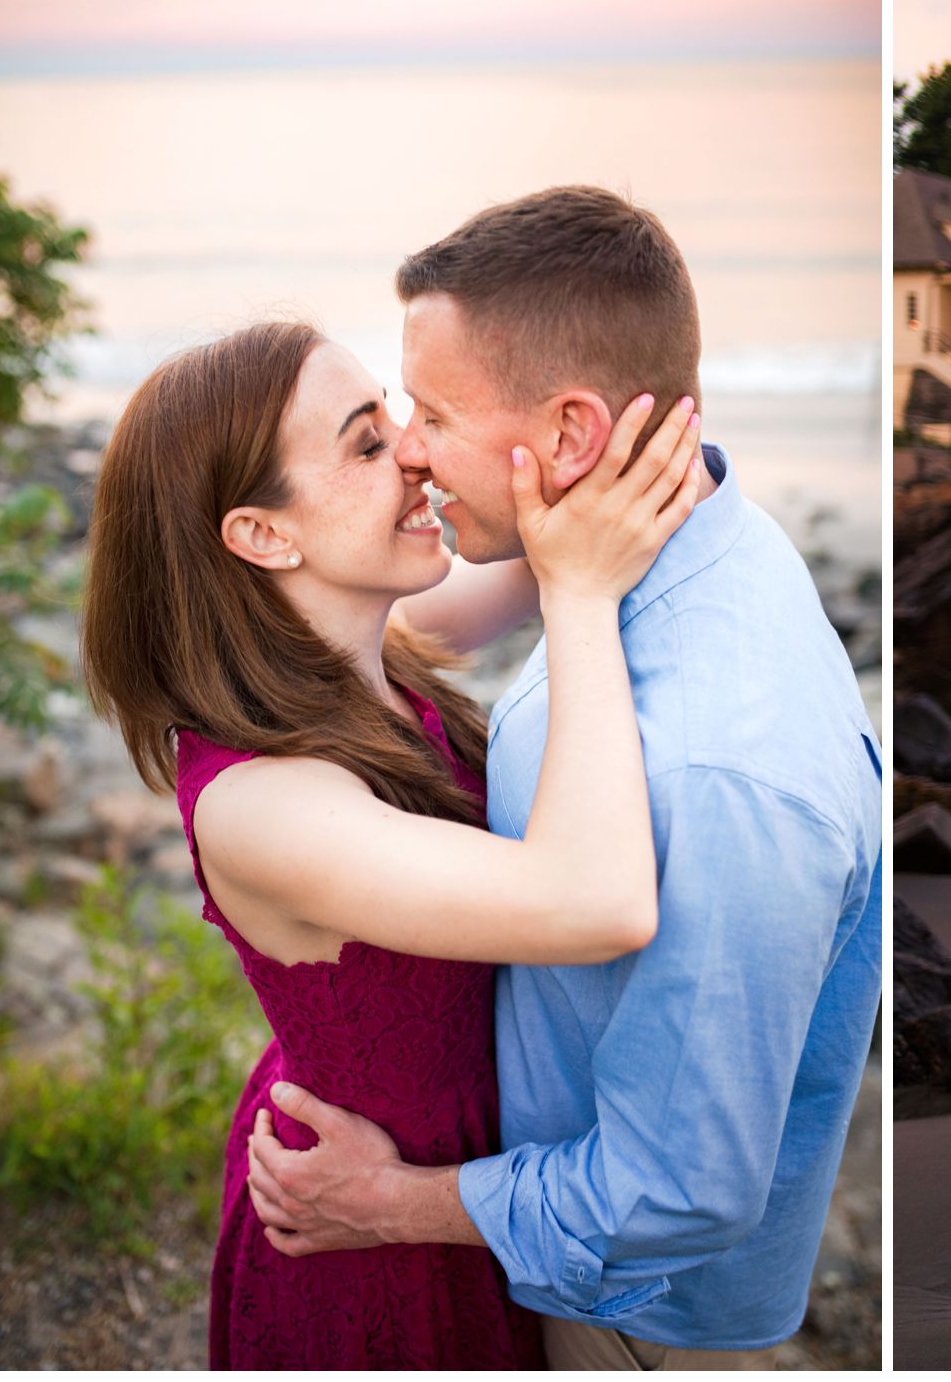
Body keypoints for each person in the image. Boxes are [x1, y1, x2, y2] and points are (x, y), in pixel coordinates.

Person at [240, 186, 886, 1369]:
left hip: (623, 1316)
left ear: (576, 436)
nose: (412, 446)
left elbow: (676, 1194)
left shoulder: (711, 770)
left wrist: (391, 1205)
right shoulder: (659, 540)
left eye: (430, 411)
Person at [82, 318, 706, 1368]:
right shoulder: (263, 806)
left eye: (406, 420)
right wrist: (583, 596)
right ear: (263, 536)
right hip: (366, 1233)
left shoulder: (381, 651)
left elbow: (543, 535)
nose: (415, 453)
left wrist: (587, 427)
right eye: (368, 443)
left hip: (447, 1182)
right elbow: (598, 902)